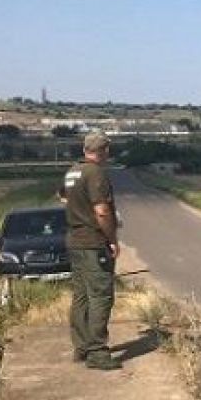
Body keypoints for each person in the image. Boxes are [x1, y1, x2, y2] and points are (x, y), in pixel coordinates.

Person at [64, 132, 121, 370]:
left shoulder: (72, 172)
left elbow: (63, 198)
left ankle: (82, 346)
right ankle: (97, 351)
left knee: (81, 296)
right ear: (104, 150)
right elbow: (102, 211)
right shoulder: (96, 174)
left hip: (74, 240)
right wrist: (112, 239)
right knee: (100, 295)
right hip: (92, 242)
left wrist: (78, 211)